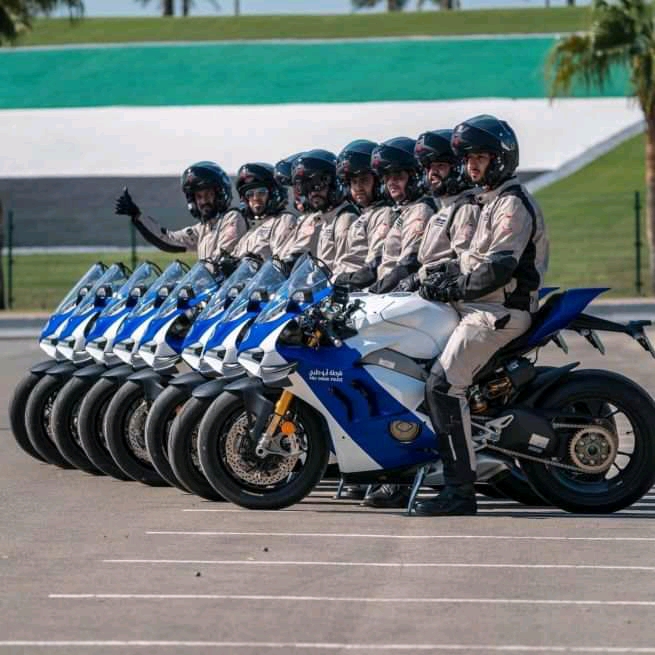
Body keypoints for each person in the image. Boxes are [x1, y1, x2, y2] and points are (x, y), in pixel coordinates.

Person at [413, 114, 549, 516]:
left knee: (441, 387)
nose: (472, 165)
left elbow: (498, 268)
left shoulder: (512, 204)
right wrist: (437, 279)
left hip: (499, 313)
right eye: (469, 158)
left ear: (501, 158)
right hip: (473, 307)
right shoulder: (483, 203)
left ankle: (460, 491)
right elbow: (463, 260)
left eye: (482, 157)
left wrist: (454, 286)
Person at [362, 130, 481, 510]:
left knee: (435, 386)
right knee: (388, 371)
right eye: (428, 167)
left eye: (440, 166)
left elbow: (462, 264)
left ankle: (458, 487)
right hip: (434, 301)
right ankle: (395, 467)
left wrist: (418, 280)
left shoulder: (464, 208)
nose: (432, 174)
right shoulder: (440, 208)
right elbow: (417, 263)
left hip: (462, 307)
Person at [114, 161, 248, 259]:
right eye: (199, 197)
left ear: (220, 194)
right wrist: (137, 216)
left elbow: (221, 258)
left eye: (208, 195)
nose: (203, 201)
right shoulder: (203, 229)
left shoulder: (232, 218)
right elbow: (169, 239)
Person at [362, 137, 435, 293]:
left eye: (398, 176)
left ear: (414, 177)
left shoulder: (420, 211)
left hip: (400, 295)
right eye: (387, 176)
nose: (391, 182)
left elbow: (407, 265)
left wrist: (372, 292)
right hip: (386, 292)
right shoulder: (399, 211)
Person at [276, 149, 359, 275]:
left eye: (318, 185)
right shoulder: (322, 218)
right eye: (307, 188)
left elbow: (347, 267)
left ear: (334, 184)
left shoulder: (346, 218)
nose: (313, 193)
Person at [334, 140, 395, 285]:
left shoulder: (383, 213)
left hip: (360, 288)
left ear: (379, 182)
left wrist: (346, 280)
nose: (358, 187)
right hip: (343, 282)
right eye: (353, 182)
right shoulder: (363, 216)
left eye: (364, 180)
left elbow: (374, 262)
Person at [232, 162, 297, 260]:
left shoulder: (283, 221)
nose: (255, 198)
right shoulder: (249, 232)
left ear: (273, 194)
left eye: (261, 192)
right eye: (250, 194)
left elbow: (281, 263)